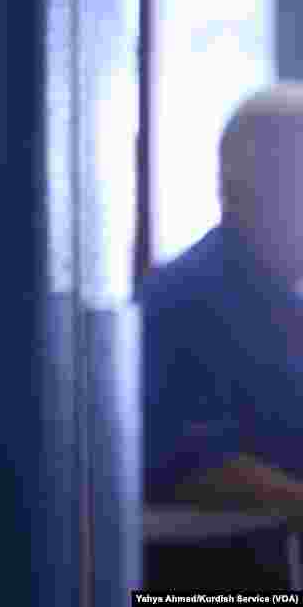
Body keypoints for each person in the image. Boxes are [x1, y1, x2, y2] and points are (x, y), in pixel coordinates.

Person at [140, 82, 303, 588]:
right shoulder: (183, 299)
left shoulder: (282, 301)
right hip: (202, 585)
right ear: (258, 183)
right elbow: (192, 464)